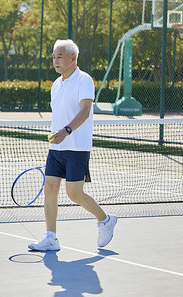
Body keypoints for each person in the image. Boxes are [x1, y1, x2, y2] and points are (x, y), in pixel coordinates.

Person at [28, 39, 117, 251]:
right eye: (53, 57)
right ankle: (51, 237)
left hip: (77, 148)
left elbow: (85, 111)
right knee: (49, 188)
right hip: (56, 148)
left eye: (59, 56)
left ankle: (105, 220)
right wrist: (56, 134)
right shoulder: (56, 85)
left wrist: (66, 131)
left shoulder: (84, 80)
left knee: (74, 194)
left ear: (72, 58)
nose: (55, 60)